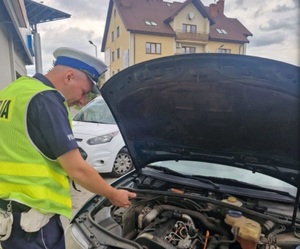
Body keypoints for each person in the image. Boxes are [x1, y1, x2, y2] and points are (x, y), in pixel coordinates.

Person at [0, 47, 136, 249]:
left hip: (10, 211)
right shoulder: (46, 99)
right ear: (69, 76)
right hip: (35, 220)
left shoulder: (14, 90)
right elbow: (76, 169)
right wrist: (113, 194)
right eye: (84, 92)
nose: (82, 101)